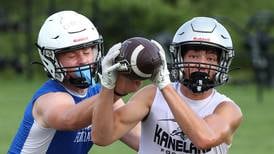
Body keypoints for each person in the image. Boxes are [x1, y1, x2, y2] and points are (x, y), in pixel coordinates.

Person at [92, 17, 243, 154]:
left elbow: (204, 139)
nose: (201, 64)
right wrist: (108, 86)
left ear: (221, 63)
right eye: (194, 56)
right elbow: (102, 137)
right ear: (180, 58)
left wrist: (165, 86)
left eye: (210, 58)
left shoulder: (228, 109)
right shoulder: (151, 96)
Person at [8, 10, 140, 154]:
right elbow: (70, 119)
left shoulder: (98, 93)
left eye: (87, 52)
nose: (83, 60)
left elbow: (142, 141)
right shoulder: (50, 98)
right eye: (71, 55)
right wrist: (115, 90)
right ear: (52, 60)